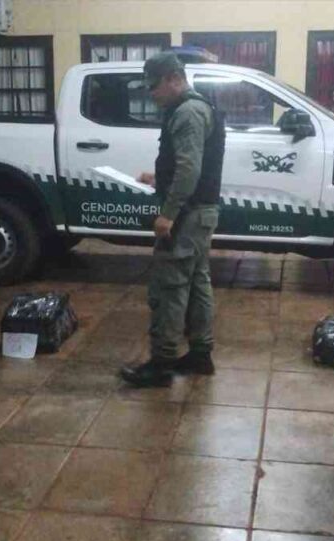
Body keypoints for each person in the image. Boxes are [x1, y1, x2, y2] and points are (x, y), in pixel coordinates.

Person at [120, 52, 226, 388]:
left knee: (170, 287)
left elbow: (189, 169)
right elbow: (191, 166)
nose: (151, 93)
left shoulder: (187, 112)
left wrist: (167, 214)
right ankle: (200, 354)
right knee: (197, 283)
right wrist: (159, 179)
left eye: (154, 86)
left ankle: (162, 364)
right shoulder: (199, 107)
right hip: (200, 213)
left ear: (174, 79)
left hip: (187, 216)